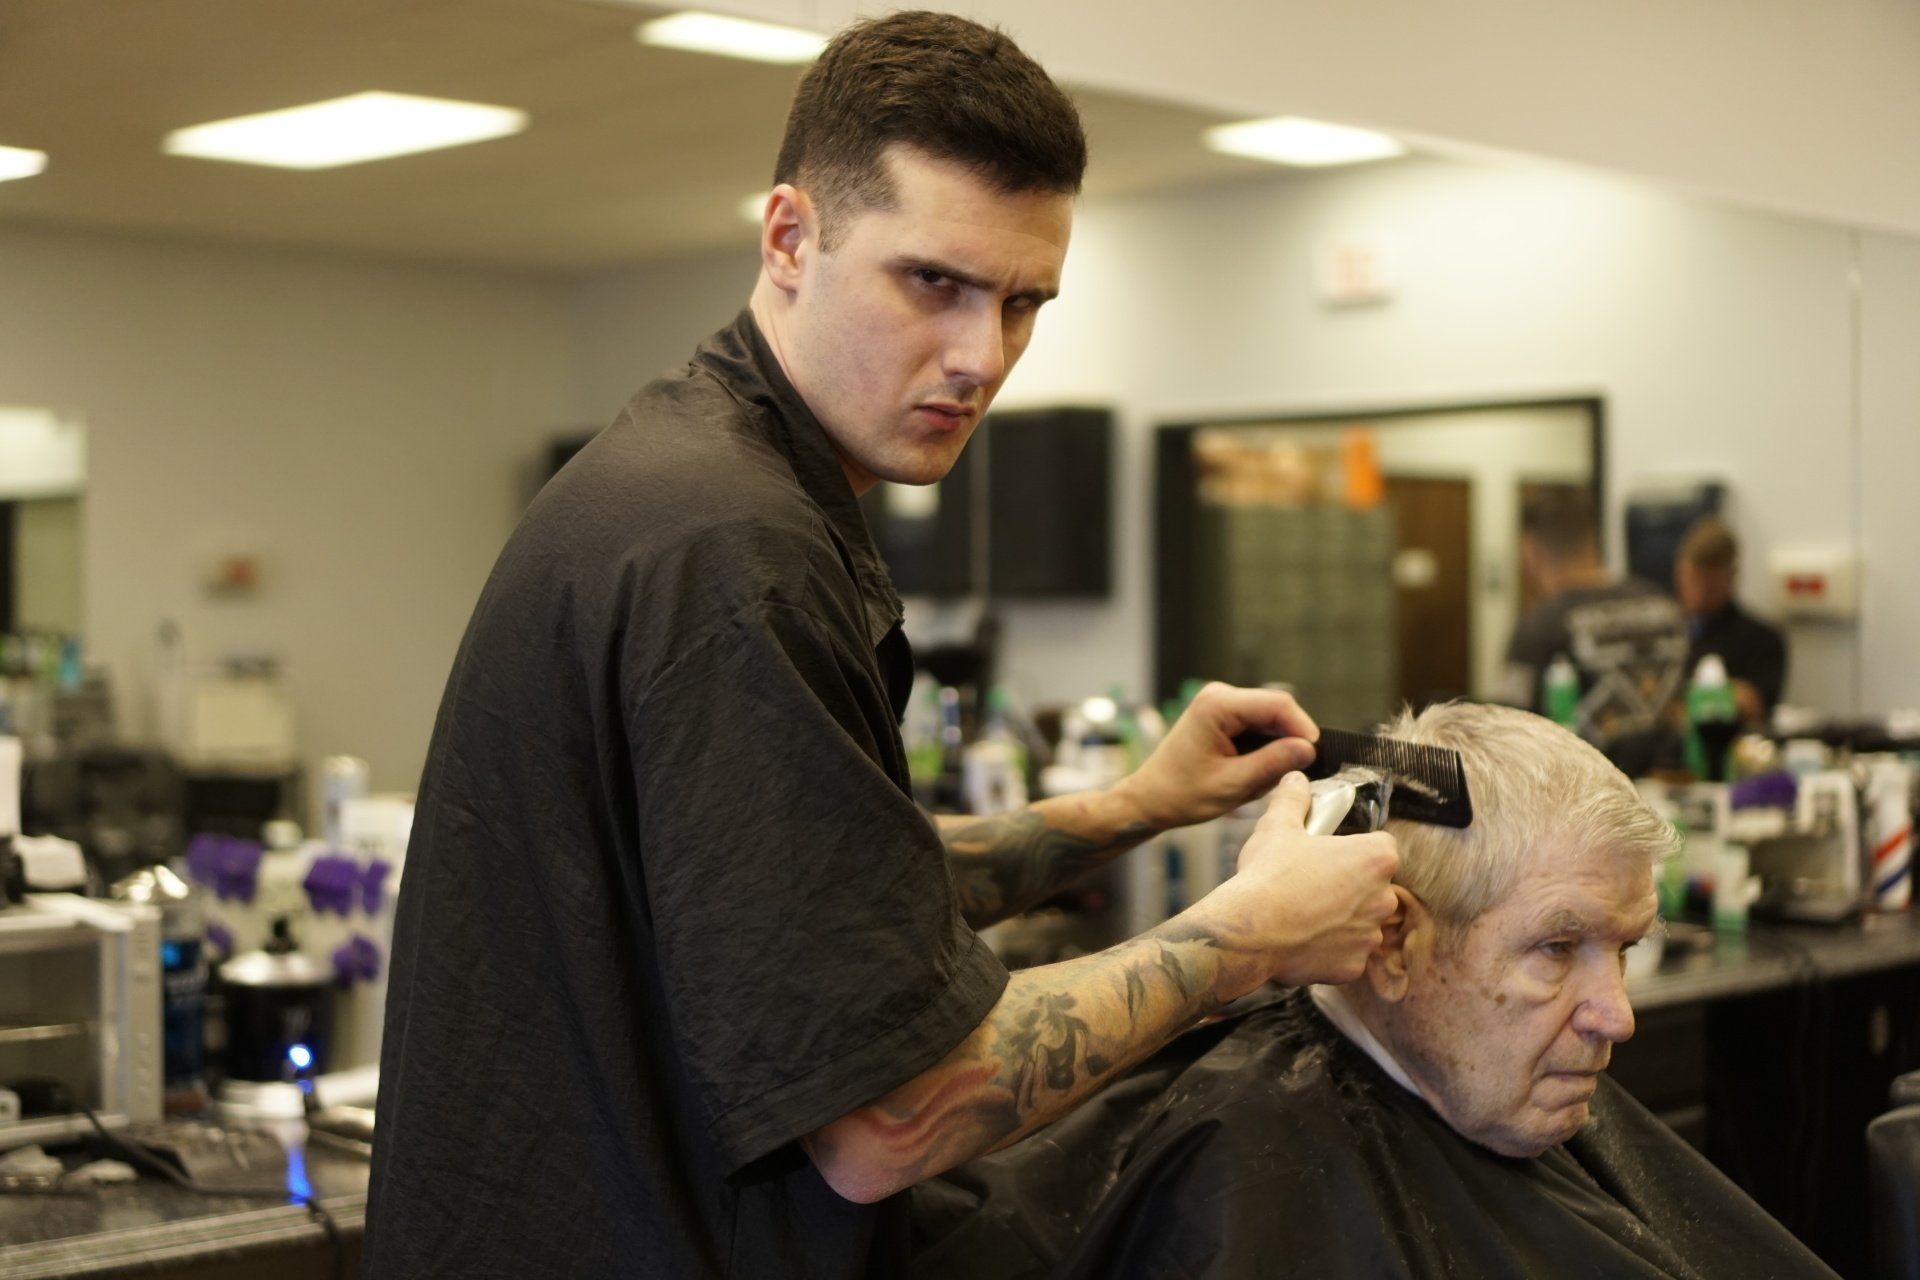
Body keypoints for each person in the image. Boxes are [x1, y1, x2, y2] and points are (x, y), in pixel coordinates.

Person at [363, 13, 1399, 1278]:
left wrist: (1136, 804)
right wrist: (1250, 936)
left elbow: (810, 902)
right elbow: (889, 1117)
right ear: (792, 235)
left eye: (1024, 302)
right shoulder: (734, 549)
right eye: (935, 282)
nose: (983, 357)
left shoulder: (688, 473)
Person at [913, 703, 1838, 1279]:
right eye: (1557, 948)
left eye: (1625, 946)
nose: (1618, 1015)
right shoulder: (1237, 1168)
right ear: (1390, 940)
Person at [1498, 488, 1689, 775]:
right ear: (1595, 541)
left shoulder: (1540, 626)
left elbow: (1504, 736)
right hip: (1674, 797)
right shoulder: (1663, 605)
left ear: (1530, 550)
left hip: (1587, 806)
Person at [1674, 516, 1788, 725]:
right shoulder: (1665, 634)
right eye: (1692, 578)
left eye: (1709, 583)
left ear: (1731, 576)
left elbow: (1754, 703)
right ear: (1679, 570)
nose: (1698, 592)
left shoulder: (1762, 641)